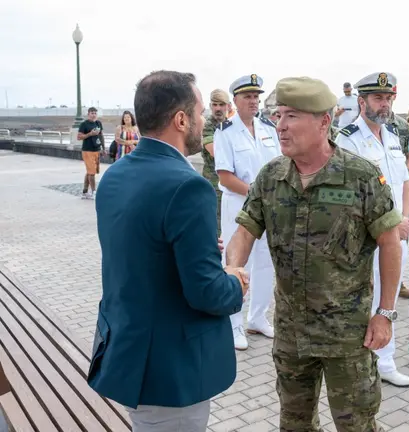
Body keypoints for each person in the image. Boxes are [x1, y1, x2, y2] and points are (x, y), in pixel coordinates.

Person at [225, 76, 402, 431]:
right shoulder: (271, 176)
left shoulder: (361, 177)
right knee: (294, 425)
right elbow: (244, 230)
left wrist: (384, 313)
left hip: (348, 336)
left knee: (356, 426)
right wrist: (233, 267)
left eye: (292, 116)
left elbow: (390, 243)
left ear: (324, 121)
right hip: (292, 334)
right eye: (278, 115)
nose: (280, 126)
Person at [87, 70, 249, 432]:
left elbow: (140, 247)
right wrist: (237, 282)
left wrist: (196, 248)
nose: (204, 120)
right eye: (201, 112)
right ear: (181, 119)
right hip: (169, 368)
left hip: (127, 347)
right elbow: (206, 292)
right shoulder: (188, 187)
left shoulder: (115, 174)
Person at [336, 72, 409, 388]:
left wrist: (404, 219)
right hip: (367, 239)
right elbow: (343, 195)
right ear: (362, 101)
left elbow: (406, 184)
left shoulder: (393, 138)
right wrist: (390, 225)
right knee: (364, 300)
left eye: (388, 98)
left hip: (398, 235)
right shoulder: (347, 139)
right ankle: (357, 364)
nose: (384, 104)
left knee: (389, 299)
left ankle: (385, 361)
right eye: (378, 98)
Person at [214, 74, 281, 351]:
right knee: (237, 264)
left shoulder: (268, 128)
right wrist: (256, 193)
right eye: (248, 97)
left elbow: (279, 164)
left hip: (266, 207)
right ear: (236, 101)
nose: (254, 101)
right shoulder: (225, 132)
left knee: (265, 262)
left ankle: (257, 317)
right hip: (238, 206)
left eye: (256, 96)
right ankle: (233, 323)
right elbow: (225, 175)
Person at [387, 84, 409, 300]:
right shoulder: (353, 131)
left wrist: (403, 169)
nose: (387, 101)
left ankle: (399, 281)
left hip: (399, 192)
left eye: (390, 95)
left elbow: (408, 153)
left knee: (401, 244)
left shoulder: (401, 126)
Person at [202, 89, 232, 236]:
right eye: (215, 104)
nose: (218, 108)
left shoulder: (231, 125)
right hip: (214, 183)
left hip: (231, 182)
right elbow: (216, 153)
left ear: (228, 106)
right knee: (216, 223)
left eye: (221, 104)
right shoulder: (208, 126)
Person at [77, 107, 104, 199]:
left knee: (90, 171)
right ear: (88, 114)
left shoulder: (98, 123)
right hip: (87, 150)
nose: (94, 115)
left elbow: (101, 136)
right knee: (91, 172)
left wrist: (103, 148)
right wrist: (90, 134)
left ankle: (85, 192)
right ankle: (94, 192)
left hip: (96, 150)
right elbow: (79, 137)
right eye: (92, 113)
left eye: (95, 113)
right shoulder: (84, 124)